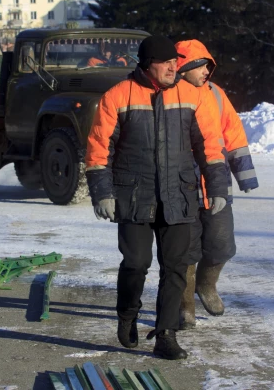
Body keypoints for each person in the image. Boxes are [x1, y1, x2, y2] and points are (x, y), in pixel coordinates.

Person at [85, 35, 230, 360]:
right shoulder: (118, 96)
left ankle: (166, 334)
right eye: (165, 63)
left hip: (178, 195)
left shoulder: (193, 96)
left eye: (174, 63)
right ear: (147, 65)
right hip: (134, 195)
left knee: (176, 267)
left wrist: (218, 186)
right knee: (136, 263)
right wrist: (102, 193)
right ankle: (127, 315)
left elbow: (209, 144)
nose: (172, 68)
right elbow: (98, 148)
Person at [174, 40, 259, 329]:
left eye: (208, 64)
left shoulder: (217, 94)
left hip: (216, 185)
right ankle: (185, 307)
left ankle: (206, 285)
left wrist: (245, 174)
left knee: (222, 245)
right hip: (181, 188)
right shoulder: (168, 95)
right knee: (185, 252)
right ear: (182, 68)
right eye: (199, 65)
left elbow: (233, 133)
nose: (206, 70)